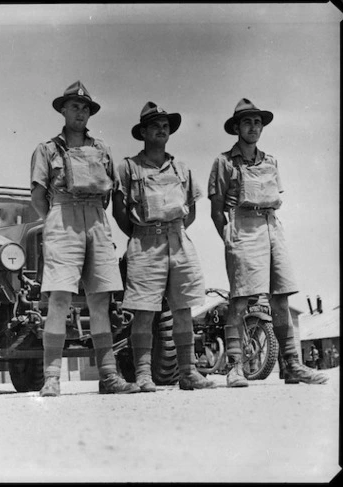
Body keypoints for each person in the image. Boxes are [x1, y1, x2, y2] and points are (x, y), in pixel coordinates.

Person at [208, 98, 327, 386]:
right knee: (240, 300)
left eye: (258, 122)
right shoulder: (224, 162)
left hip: (272, 226)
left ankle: (292, 366)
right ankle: (236, 366)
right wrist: (231, 238)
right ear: (236, 127)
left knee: (281, 298)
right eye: (247, 122)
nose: (253, 127)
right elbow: (216, 210)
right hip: (242, 226)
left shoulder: (271, 161)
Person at [30, 80, 139, 396]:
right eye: (74, 106)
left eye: (85, 108)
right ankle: (52, 377)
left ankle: (108, 376)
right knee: (60, 298)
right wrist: (56, 220)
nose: (80, 112)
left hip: (96, 220)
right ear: (63, 109)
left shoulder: (102, 149)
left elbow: (111, 193)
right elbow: (38, 197)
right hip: (62, 218)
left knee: (100, 299)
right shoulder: (47, 149)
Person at [112, 102, 215, 392]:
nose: (162, 129)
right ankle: (143, 374)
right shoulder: (128, 168)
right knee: (144, 312)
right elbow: (119, 212)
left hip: (179, 241)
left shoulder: (182, 167)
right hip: (144, 243)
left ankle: (188, 372)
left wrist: (173, 231)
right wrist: (142, 235)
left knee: (183, 310)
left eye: (166, 125)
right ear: (143, 131)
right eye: (155, 124)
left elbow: (191, 209)